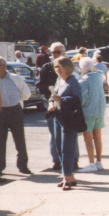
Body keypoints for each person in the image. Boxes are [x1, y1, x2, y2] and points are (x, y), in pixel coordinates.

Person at [49, 57, 83, 190]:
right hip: (58, 117)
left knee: (67, 149)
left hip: (70, 119)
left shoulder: (73, 81)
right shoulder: (59, 80)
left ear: (67, 67)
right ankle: (70, 177)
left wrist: (61, 100)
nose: (58, 69)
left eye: (60, 67)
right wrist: (51, 103)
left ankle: (66, 178)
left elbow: (78, 99)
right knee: (59, 147)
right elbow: (53, 96)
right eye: (56, 67)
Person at [0, 56, 32, 181]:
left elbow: (26, 94)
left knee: (19, 139)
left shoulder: (15, 78)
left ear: (3, 66)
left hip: (15, 110)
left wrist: (16, 100)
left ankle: (23, 166)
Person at [37, 42, 68, 170]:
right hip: (52, 105)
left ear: (64, 53)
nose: (54, 54)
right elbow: (40, 85)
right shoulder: (46, 67)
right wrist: (51, 93)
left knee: (70, 133)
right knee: (54, 133)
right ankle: (56, 160)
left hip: (67, 104)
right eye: (52, 52)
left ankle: (73, 160)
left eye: (57, 52)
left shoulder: (69, 66)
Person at [77, 57, 107, 173]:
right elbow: (99, 72)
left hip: (88, 112)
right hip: (100, 111)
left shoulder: (83, 81)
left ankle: (91, 163)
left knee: (88, 139)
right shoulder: (99, 77)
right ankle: (99, 162)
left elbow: (83, 99)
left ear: (81, 68)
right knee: (98, 137)